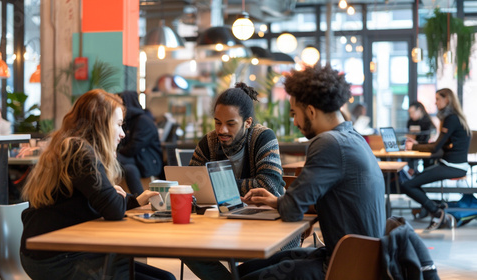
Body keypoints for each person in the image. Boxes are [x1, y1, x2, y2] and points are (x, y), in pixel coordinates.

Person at [236, 64, 386, 280]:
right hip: (359, 260)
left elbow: (293, 211)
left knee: (244, 277)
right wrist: (277, 202)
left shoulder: (328, 143)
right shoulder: (353, 137)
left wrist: (284, 204)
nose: (295, 122)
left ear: (311, 111)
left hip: (344, 268)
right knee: (247, 269)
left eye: (295, 114)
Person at [20, 89, 175, 280]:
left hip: (63, 249)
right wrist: (116, 197)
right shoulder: (79, 151)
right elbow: (113, 209)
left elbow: (102, 202)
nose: (123, 134)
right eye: (118, 125)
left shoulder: (76, 147)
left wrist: (133, 200)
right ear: (101, 124)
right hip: (55, 259)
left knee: (166, 277)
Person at [184, 82, 286, 280]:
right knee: (185, 248)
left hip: (266, 227)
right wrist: (203, 187)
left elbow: (269, 185)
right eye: (217, 122)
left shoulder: (263, 137)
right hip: (222, 226)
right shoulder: (209, 142)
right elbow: (193, 184)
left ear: (247, 122)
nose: (221, 130)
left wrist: (216, 184)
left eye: (230, 123)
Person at [403, 88, 471, 231]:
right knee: (414, 181)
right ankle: (436, 208)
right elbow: (439, 146)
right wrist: (417, 145)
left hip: (453, 166)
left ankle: (437, 212)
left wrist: (413, 147)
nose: (435, 102)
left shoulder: (450, 119)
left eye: (438, 99)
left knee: (408, 185)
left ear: (447, 100)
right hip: (452, 164)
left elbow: (435, 148)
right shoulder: (454, 118)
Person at [117, 90, 163, 194]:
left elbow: (134, 147)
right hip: (135, 159)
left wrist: (116, 154)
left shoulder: (143, 121)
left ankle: (138, 200)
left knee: (112, 160)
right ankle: (136, 200)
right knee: (129, 168)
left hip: (147, 161)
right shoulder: (128, 121)